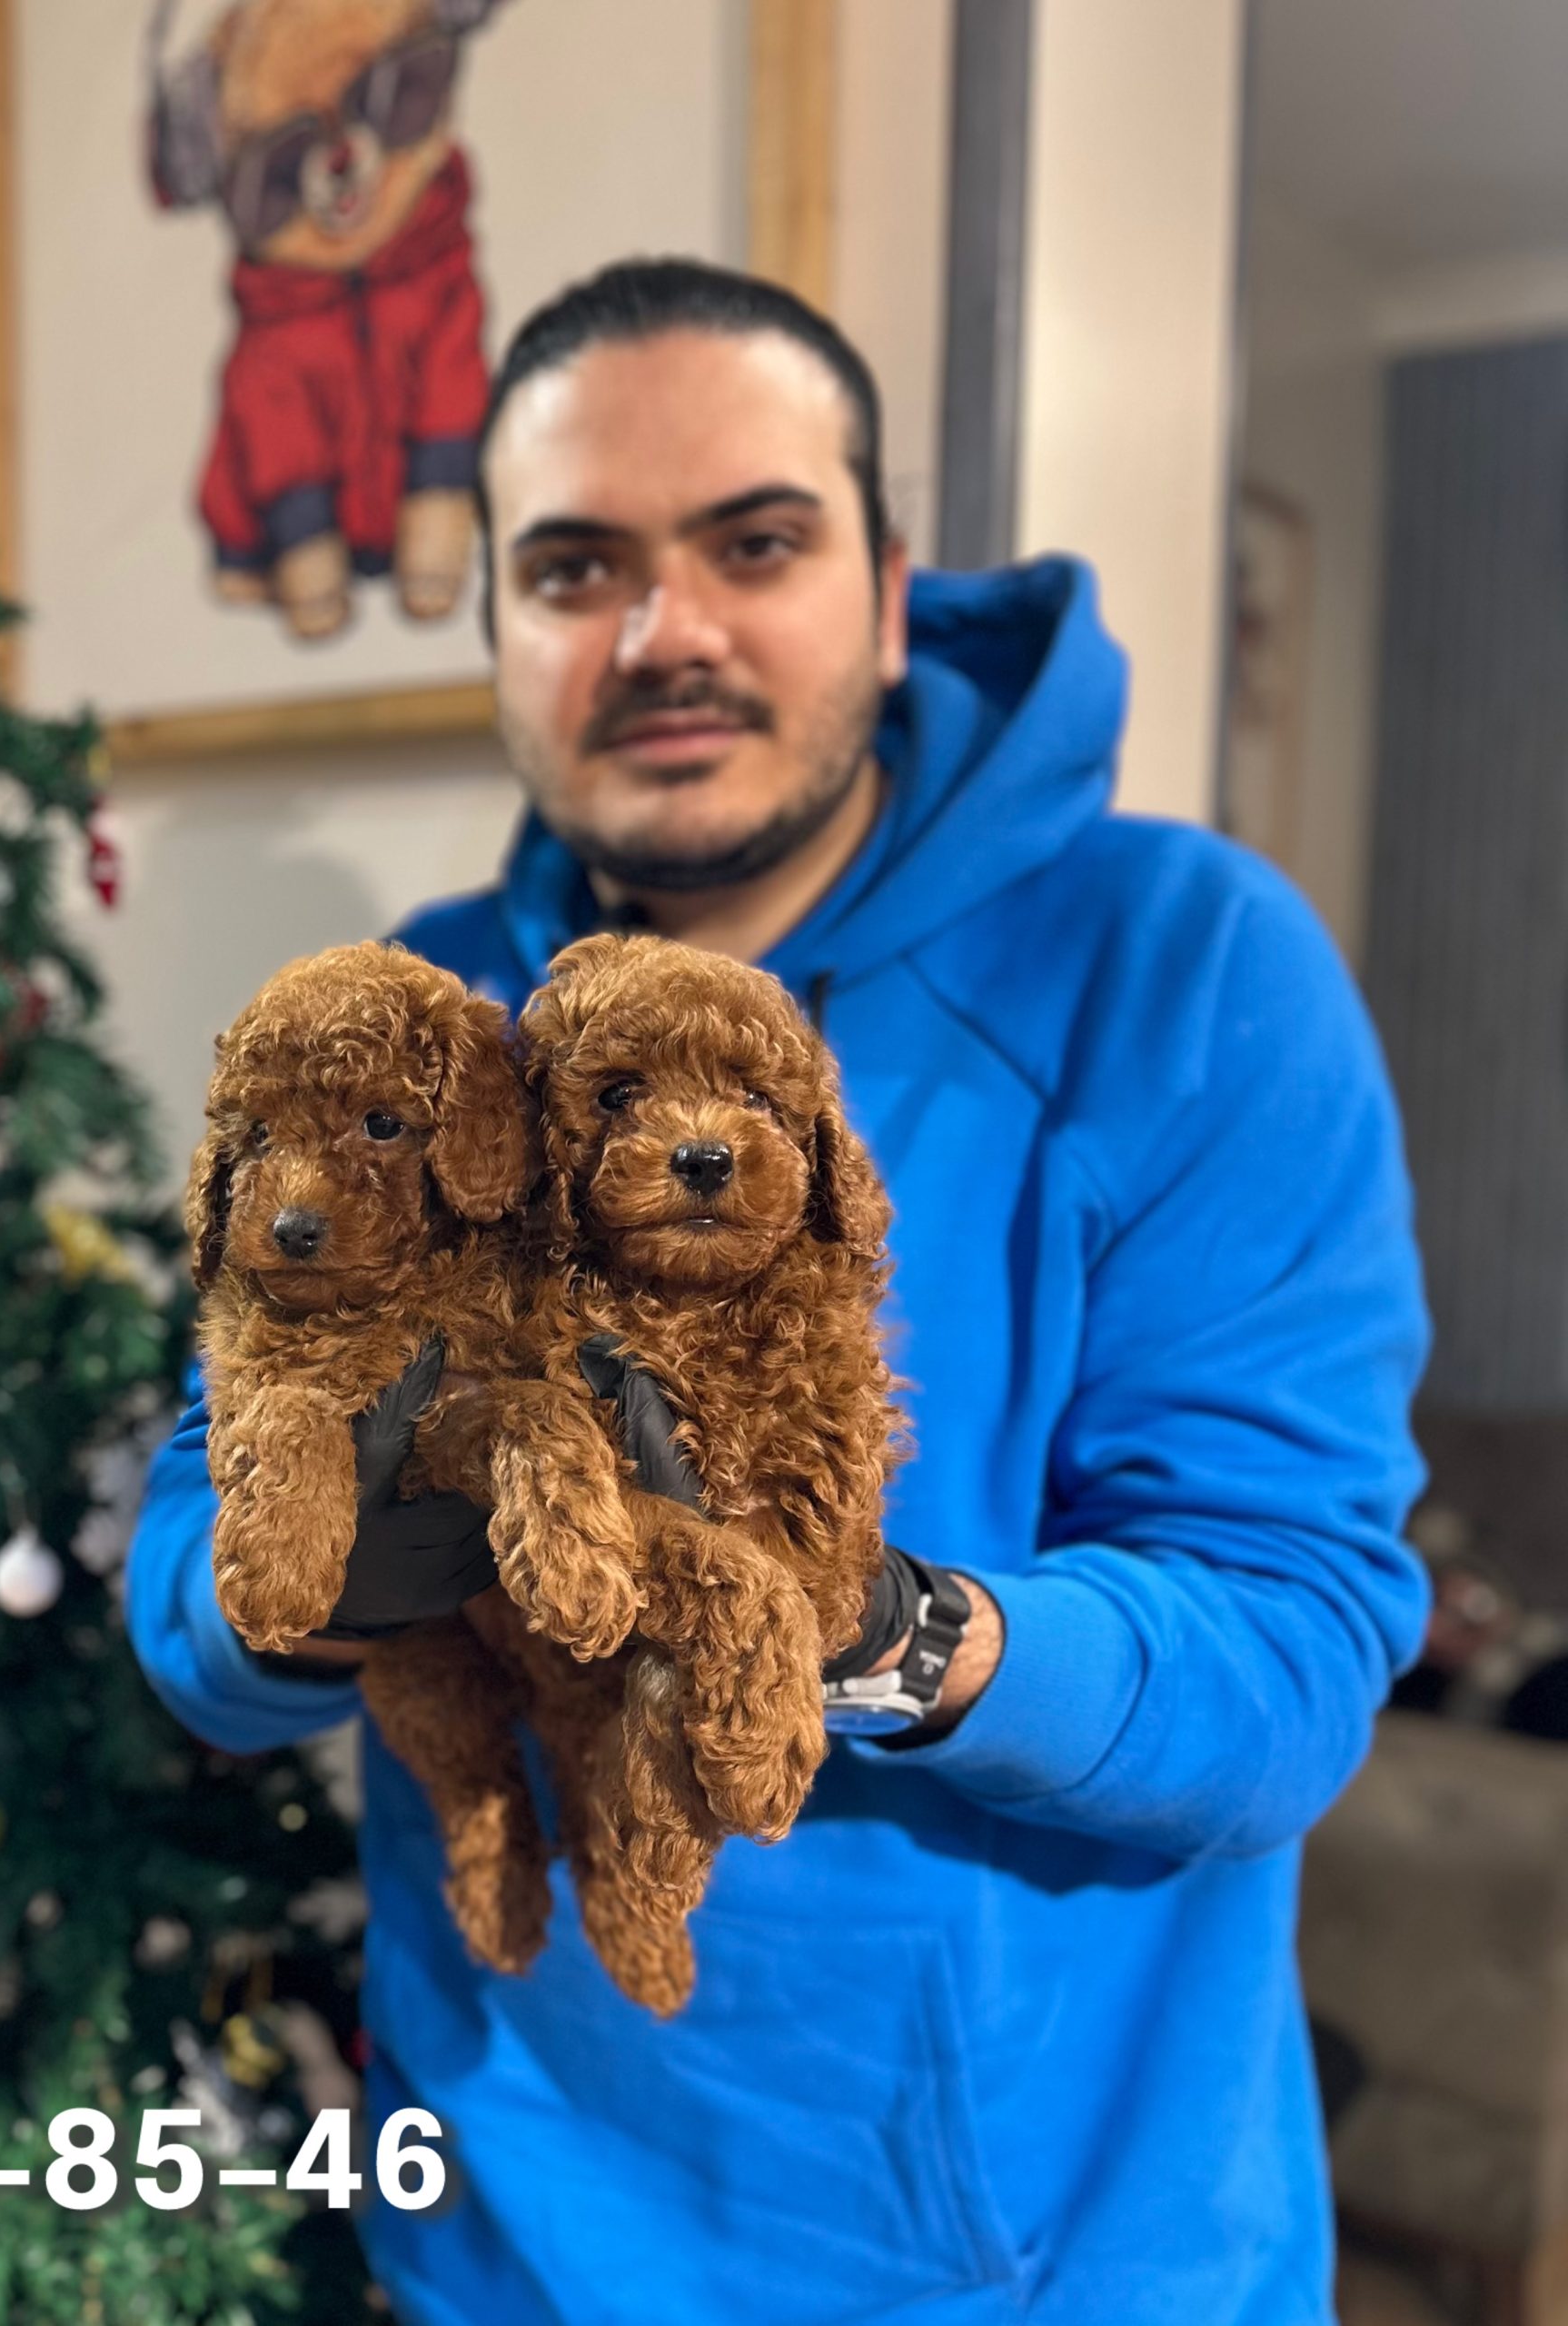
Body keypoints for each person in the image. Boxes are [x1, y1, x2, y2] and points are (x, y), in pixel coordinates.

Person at [124, 257, 1429, 2323]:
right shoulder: (416, 1011)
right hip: (495, 2232)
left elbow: (1282, 1645)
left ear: (891, 586)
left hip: (1028, 2268)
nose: (663, 632)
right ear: (495, 628)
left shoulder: (1178, 967)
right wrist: (366, 1545)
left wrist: (857, 1618)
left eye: (752, 540)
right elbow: (191, 1595)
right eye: (571, 567)